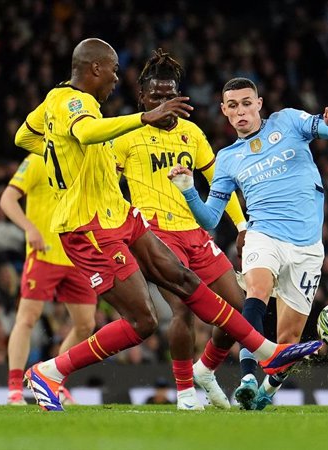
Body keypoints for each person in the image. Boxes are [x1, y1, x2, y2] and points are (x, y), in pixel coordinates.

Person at [15, 38, 322, 411]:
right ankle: (51, 372)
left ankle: (267, 352)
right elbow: (84, 132)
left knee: (187, 282)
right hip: (89, 225)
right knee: (143, 321)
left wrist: (59, 148)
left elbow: (24, 136)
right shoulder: (76, 104)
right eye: (112, 69)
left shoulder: (58, 103)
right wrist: (138, 120)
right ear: (94, 68)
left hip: (123, 215)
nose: (116, 77)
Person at [169, 77, 328, 409]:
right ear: (224, 111)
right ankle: (247, 376)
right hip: (263, 235)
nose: (240, 111)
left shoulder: (287, 121)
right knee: (255, 291)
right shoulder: (226, 158)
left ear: (259, 103)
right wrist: (187, 189)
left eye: (246, 103)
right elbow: (211, 218)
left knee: (287, 341)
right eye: (233, 105)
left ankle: (265, 393)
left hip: (307, 247)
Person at [113, 49, 247, 410]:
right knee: (183, 309)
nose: (162, 101)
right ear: (142, 98)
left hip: (196, 234)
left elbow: (219, 181)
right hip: (156, 236)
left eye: (168, 94)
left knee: (239, 308)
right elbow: (105, 183)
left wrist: (240, 223)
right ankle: (186, 391)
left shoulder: (191, 133)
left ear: (179, 95)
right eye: (155, 95)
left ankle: (207, 369)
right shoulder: (126, 134)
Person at [0, 154, 97, 405]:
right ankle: (14, 389)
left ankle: (53, 380)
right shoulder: (37, 160)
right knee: (28, 317)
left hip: (77, 256)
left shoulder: (83, 160)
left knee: (86, 325)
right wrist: (29, 228)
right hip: (43, 254)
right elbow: (7, 199)